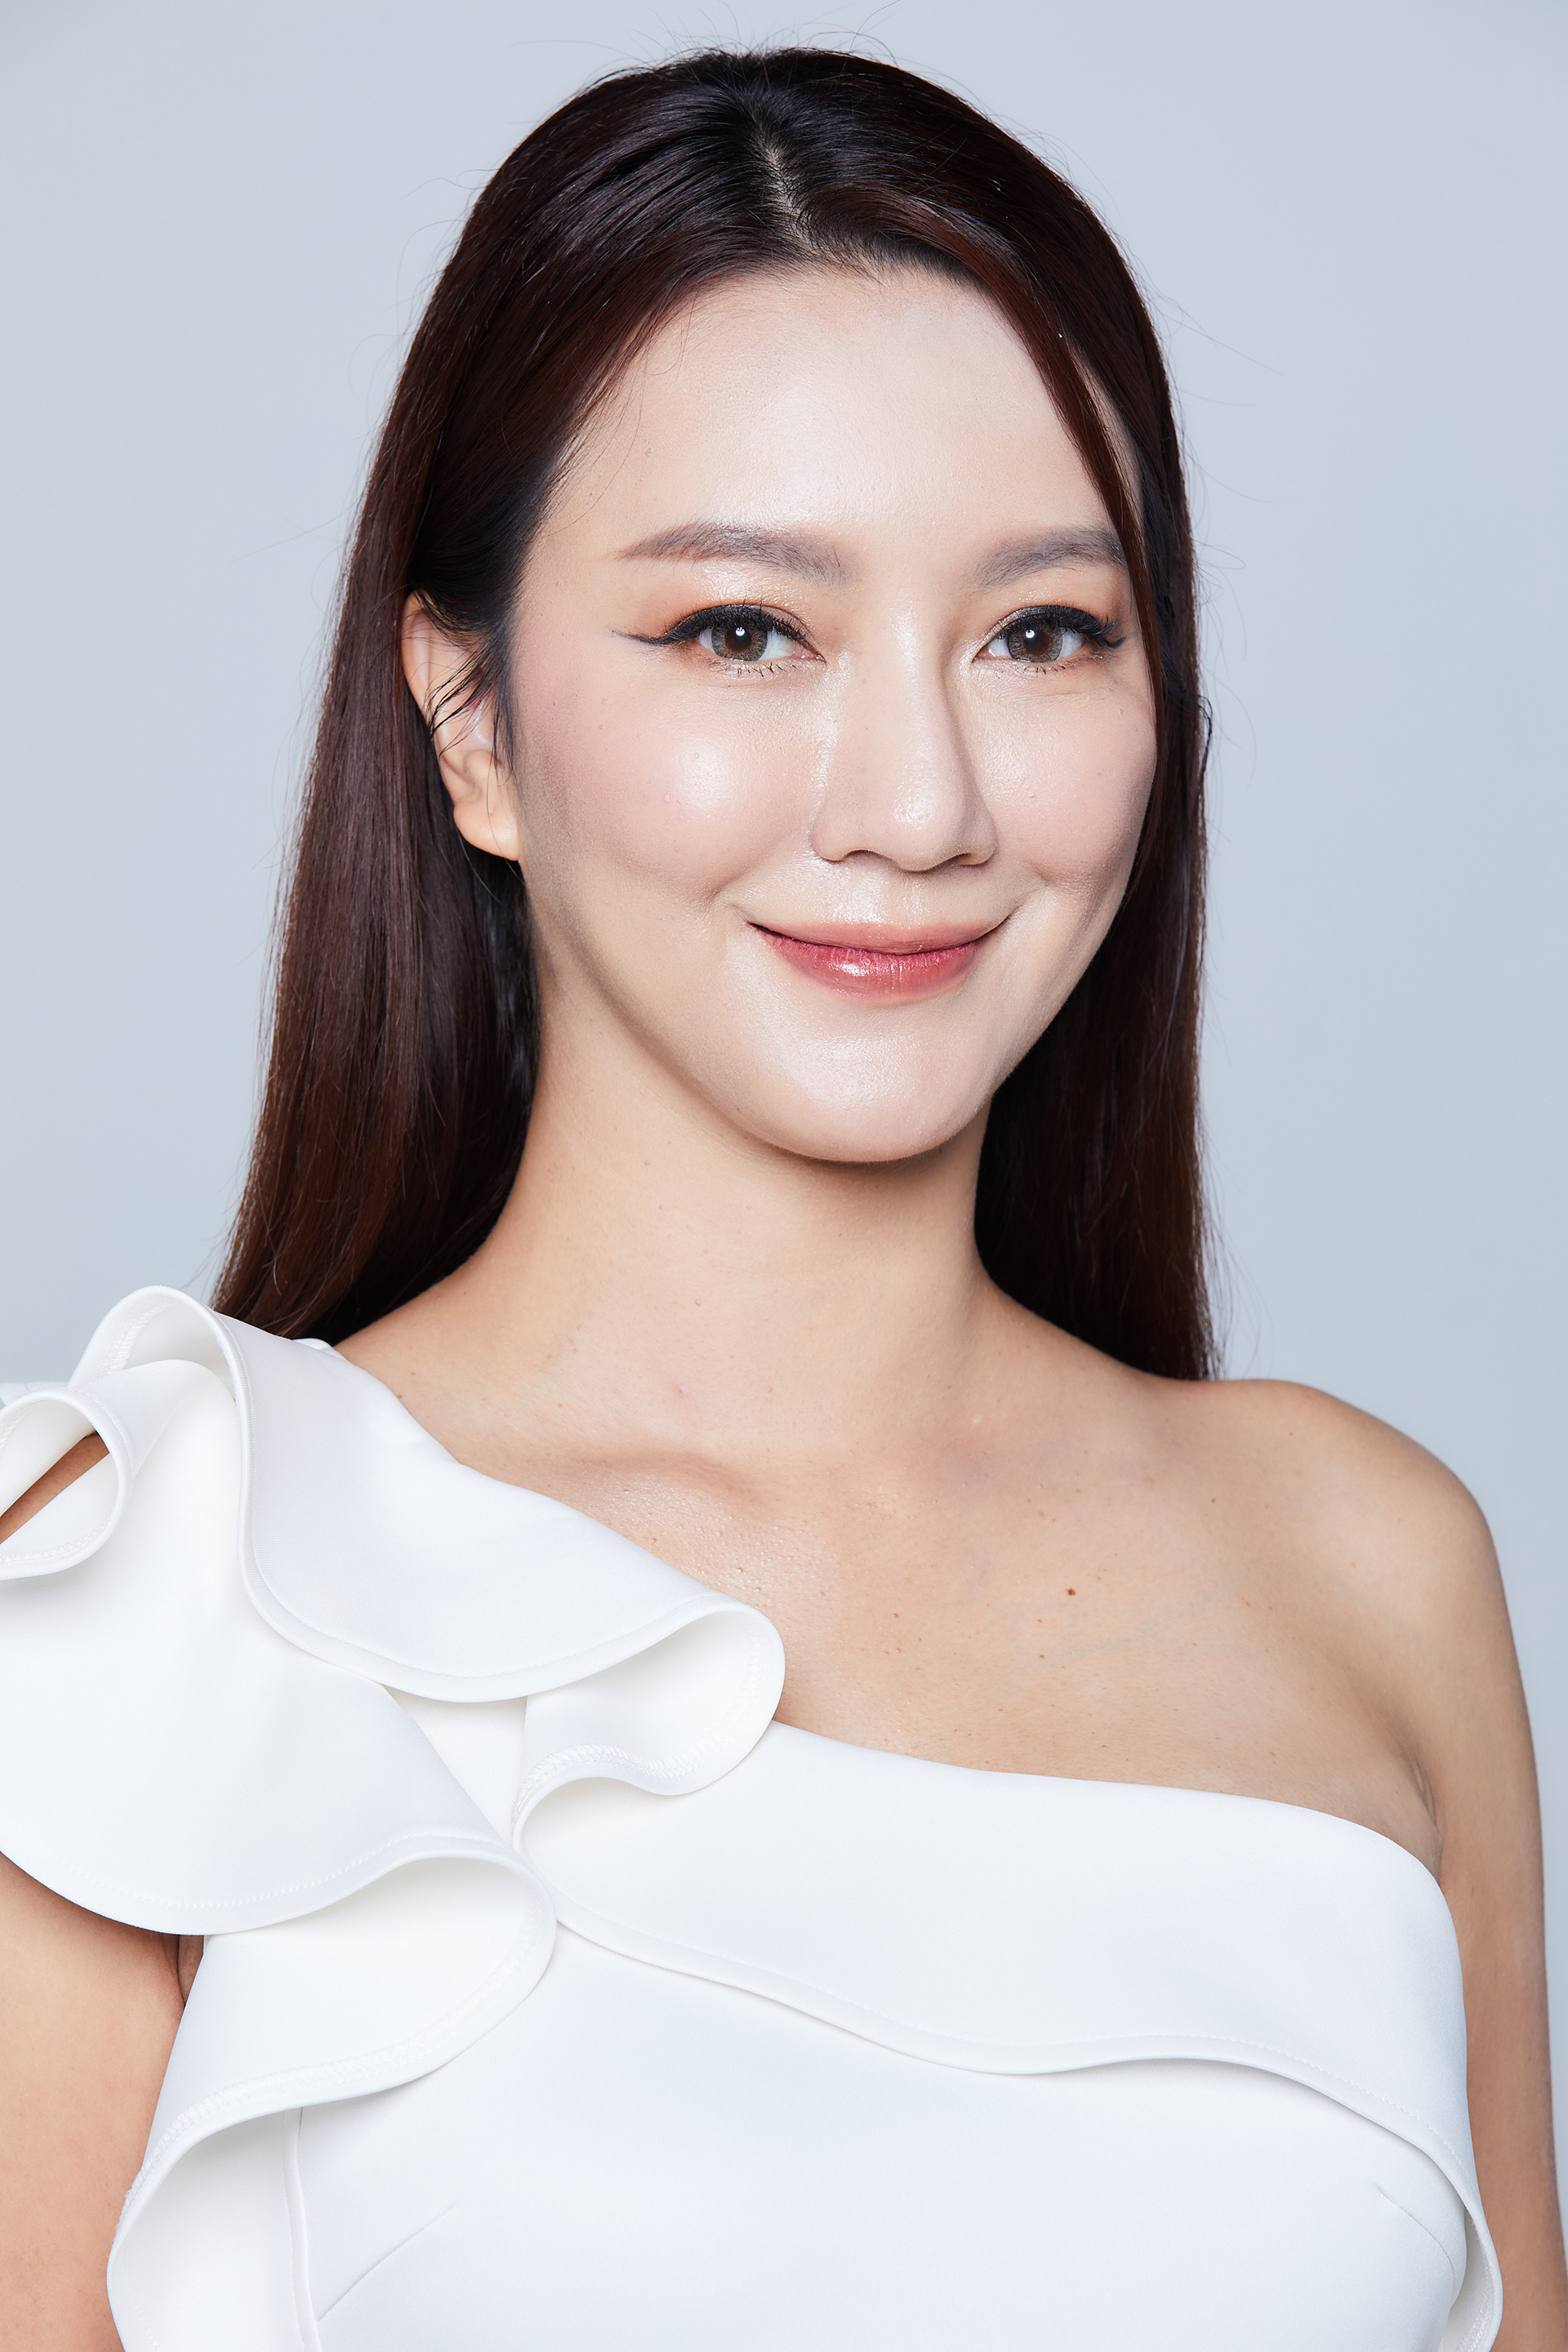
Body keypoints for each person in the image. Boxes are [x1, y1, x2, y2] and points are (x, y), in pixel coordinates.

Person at [0, 43, 1561, 2352]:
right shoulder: (134, 1598)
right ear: (469, 720)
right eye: (744, 630)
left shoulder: (1374, 1567)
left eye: (1042, 632)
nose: (920, 804)